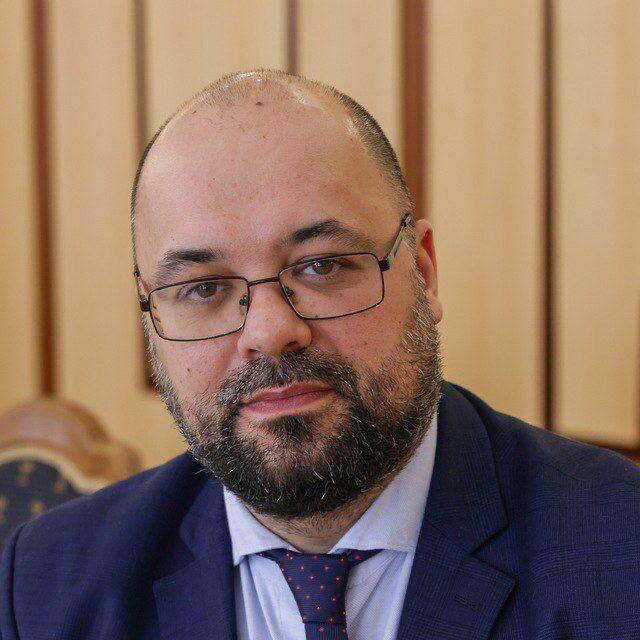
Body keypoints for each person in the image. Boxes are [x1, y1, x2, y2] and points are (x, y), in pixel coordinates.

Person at [1, 70, 638, 640]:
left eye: (323, 265)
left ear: (423, 274)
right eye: (203, 288)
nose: (269, 331)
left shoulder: (621, 553)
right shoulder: (41, 585)